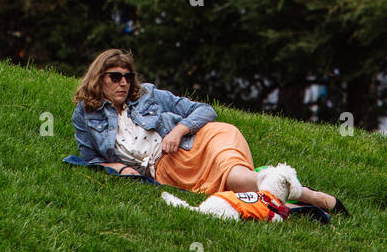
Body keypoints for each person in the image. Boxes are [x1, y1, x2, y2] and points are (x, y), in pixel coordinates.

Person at [71, 49, 348, 214]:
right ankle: (301, 195)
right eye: (115, 77)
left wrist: (178, 131)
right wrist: (120, 169)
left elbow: (205, 110)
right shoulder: (85, 114)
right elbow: (90, 159)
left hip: (199, 142)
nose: (123, 83)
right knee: (240, 187)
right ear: (99, 79)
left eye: (127, 77)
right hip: (166, 167)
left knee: (238, 180)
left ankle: (308, 195)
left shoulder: (148, 94)